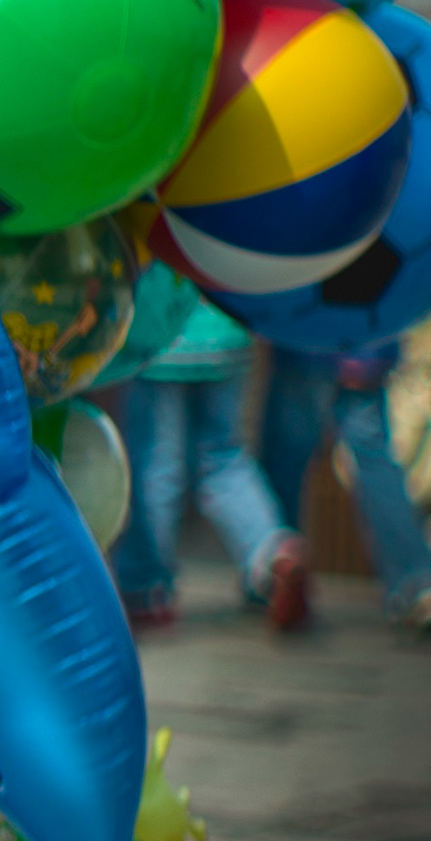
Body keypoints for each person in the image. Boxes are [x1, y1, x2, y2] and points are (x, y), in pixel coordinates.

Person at [106, 260, 309, 631]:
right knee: (224, 458)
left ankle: (145, 587)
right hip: (228, 331)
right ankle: (273, 553)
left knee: (156, 466)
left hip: (157, 339)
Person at [254, 341, 431, 633]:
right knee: (375, 459)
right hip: (368, 338)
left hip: (304, 338)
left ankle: (277, 575)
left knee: (286, 462)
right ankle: (417, 585)